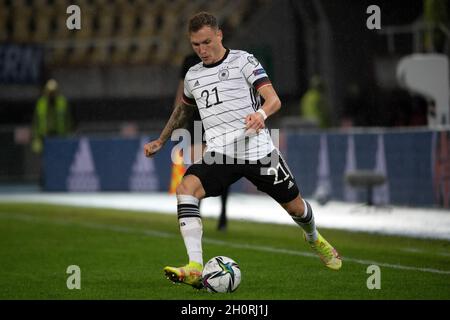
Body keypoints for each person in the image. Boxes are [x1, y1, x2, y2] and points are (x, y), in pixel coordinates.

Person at [144, 12, 342, 289]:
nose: (202, 50)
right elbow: (182, 111)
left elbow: (274, 100)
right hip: (220, 154)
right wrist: (162, 140)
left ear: (219, 35)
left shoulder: (244, 60)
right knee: (185, 189)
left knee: (296, 208)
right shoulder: (193, 76)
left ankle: (313, 238)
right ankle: (194, 266)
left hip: (257, 151)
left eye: (206, 42)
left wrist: (260, 114)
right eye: (195, 45)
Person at [171, 53, 230, 231]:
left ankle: (223, 213)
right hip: (196, 121)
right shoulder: (189, 61)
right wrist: (176, 122)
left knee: (222, 168)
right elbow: (182, 92)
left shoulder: (225, 58)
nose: (201, 47)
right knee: (198, 168)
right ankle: (197, 213)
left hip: (219, 122)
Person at [32, 79, 72, 187]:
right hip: (44, 137)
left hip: (59, 137)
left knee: (60, 161)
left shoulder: (62, 102)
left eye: (53, 92)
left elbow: (68, 120)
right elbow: (36, 122)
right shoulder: (41, 103)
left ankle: (60, 181)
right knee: (44, 162)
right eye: (50, 92)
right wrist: (36, 137)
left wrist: (68, 134)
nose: (52, 94)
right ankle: (44, 183)